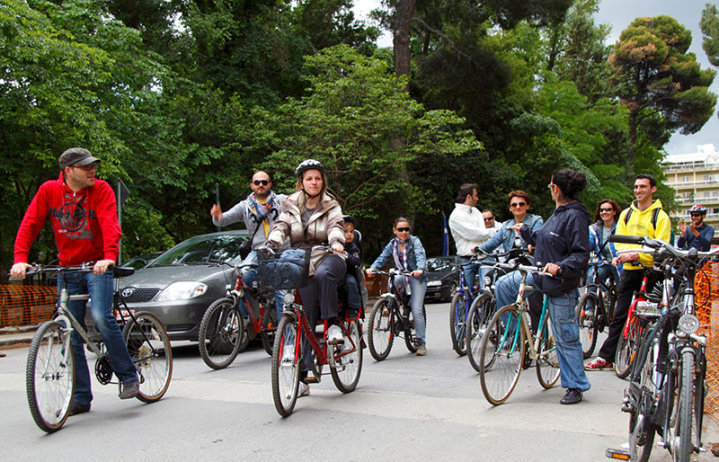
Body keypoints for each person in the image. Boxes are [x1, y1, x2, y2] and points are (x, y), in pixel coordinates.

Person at [10, 147, 139, 415]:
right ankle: (81, 396)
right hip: (67, 269)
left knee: (102, 318)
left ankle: (128, 376)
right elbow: (30, 223)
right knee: (70, 330)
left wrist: (108, 257)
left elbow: (109, 224)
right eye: (86, 167)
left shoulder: (101, 189)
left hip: (97, 267)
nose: (92, 170)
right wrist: (20, 258)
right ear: (68, 171)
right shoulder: (49, 190)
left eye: (93, 165)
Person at [512, 168, 592, 404]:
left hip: (560, 283)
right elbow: (548, 239)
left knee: (566, 336)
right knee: (505, 286)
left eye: (550, 186)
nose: (550, 189)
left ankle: (575, 386)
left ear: (556, 189)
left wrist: (561, 267)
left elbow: (580, 253)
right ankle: (520, 334)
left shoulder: (575, 215)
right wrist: (526, 233)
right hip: (540, 276)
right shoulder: (559, 212)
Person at [266, 159, 346, 396]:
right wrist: (272, 243)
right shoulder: (289, 204)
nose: (314, 182)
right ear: (301, 181)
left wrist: (336, 242)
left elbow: (336, 226)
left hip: (329, 254)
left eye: (318, 178)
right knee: (305, 316)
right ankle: (304, 377)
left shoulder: (331, 204)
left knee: (324, 274)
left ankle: (332, 325)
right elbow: (280, 226)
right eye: (309, 178)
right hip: (301, 260)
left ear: (323, 182)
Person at [585, 174, 671, 371]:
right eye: (636, 187)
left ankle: (649, 359)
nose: (638, 190)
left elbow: (662, 247)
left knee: (649, 317)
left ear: (653, 189)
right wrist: (628, 255)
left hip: (652, 272)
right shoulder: (626, 214)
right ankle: (607, 356)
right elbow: (618, 240)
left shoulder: (661, 217)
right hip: (629, 270)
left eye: (643, 187)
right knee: (620, 314)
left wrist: (637, 255)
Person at [210, 170, 287, 319]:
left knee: (283, 293)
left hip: (281, 250)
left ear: (270, 184)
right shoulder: (245, 206)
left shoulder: (281, 201)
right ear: (252, 185)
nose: (261, 185)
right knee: (242, 275)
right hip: (258, 251)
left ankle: (285, 336)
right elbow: (222, 220)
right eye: (257, 182)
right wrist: (217, 216)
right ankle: (247, 319)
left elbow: (301, 205)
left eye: (264, 182)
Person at [480, 190, 544, 329]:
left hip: (531, 262)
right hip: (513, 263)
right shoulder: (506, 225)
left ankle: (540, 338)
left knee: (535, 303)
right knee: (491, 279)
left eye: (521, 204)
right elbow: (493, 242)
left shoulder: (535, 221)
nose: (518, 207)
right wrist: (478, 250)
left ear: (527, 206)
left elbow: (538, 236)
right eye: (514, 205)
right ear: (510, 208)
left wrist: (531, 242)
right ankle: (513, 330)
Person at [366, 218, 429, 356]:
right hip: (402, 275)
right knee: (394, 278)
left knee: (416, 309)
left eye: (406, 229)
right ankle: (392, 304)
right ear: (394, 230)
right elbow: (382, 257)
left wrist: (419, 269)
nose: (404, 232)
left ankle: (421, 343)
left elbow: (420, 256)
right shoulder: (392, 244)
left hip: (416, 276)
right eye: (400, 229)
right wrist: (373, 268)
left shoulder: (415, 241)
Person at [448, 184, 496, 293]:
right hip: (466, 258)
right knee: (466, 293)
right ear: (469, 197)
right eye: (476, 195)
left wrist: (484, 234)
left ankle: (487, 307)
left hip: (483, 256)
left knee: (487, 288)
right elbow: (474, 233)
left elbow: (480, 232)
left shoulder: (476, 212)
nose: (478, 198)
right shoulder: (455, 216)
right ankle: (465, 308)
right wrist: (492, 232)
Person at [586, 199, 622, 301]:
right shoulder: (594, 229)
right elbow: (589, 244)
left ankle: (620, 310)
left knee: (622, 286)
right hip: (603, 262)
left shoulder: (620, 228)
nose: (604, 212)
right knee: (592, 276)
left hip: (618, 262)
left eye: (608, 209)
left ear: (614, 212)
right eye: (601, 210)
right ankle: (589, 310)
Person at [342, 216, 363, 318]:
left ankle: (353, 308)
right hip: (334, 274)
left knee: (351, 282)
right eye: (345, 232)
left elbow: (356, 261)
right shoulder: (331, 244)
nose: (349, 234)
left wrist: (346, 255)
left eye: (351, 232)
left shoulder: (353, 248)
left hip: (347, 274)